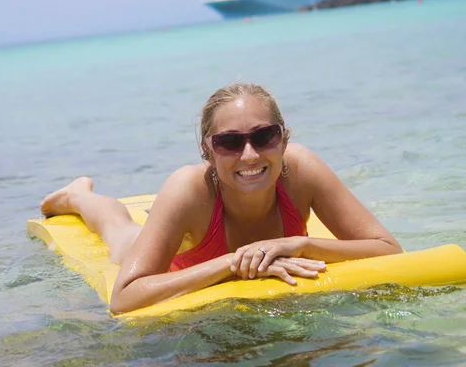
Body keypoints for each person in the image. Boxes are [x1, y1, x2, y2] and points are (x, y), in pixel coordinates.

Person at [40, 83, 402, 314]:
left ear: (284, 139)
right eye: (229, 142)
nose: (249, 155)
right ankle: (77, 195)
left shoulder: (302, 169)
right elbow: (124, 297)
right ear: (208, 152)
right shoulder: (187, 189)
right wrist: (232, 264)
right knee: (120, 233)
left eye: (264, 136)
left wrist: (302, 244)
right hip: (182, 262)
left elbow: (389, 249)